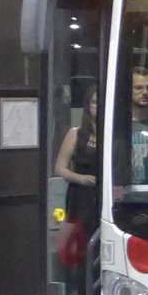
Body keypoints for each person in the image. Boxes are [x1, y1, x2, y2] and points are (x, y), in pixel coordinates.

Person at [54, 83, 99, 246]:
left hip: (105, 198)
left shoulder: (114, 136)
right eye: (94, 102)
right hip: (81, 199)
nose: (98, 106)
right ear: (88, 106)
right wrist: (81, 178)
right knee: (80, 244)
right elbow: (60, 168)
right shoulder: (76, 133)